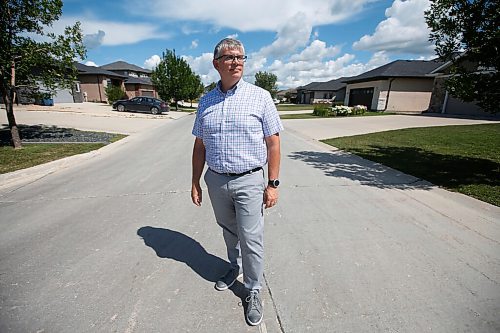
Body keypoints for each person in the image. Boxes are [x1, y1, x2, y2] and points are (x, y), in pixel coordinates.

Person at [191, 38, 283, 326]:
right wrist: (195, 181)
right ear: (216, 63)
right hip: (216, 181)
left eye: (241, 57)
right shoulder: (205, 101)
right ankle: (235, 267)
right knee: (229, 232)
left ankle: (253, 290)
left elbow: (274, 143)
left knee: (251, 238)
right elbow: (199, 145)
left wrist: (273, 184)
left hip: (250, 181)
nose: (236, 62)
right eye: (230, 57)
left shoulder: (260, 97)